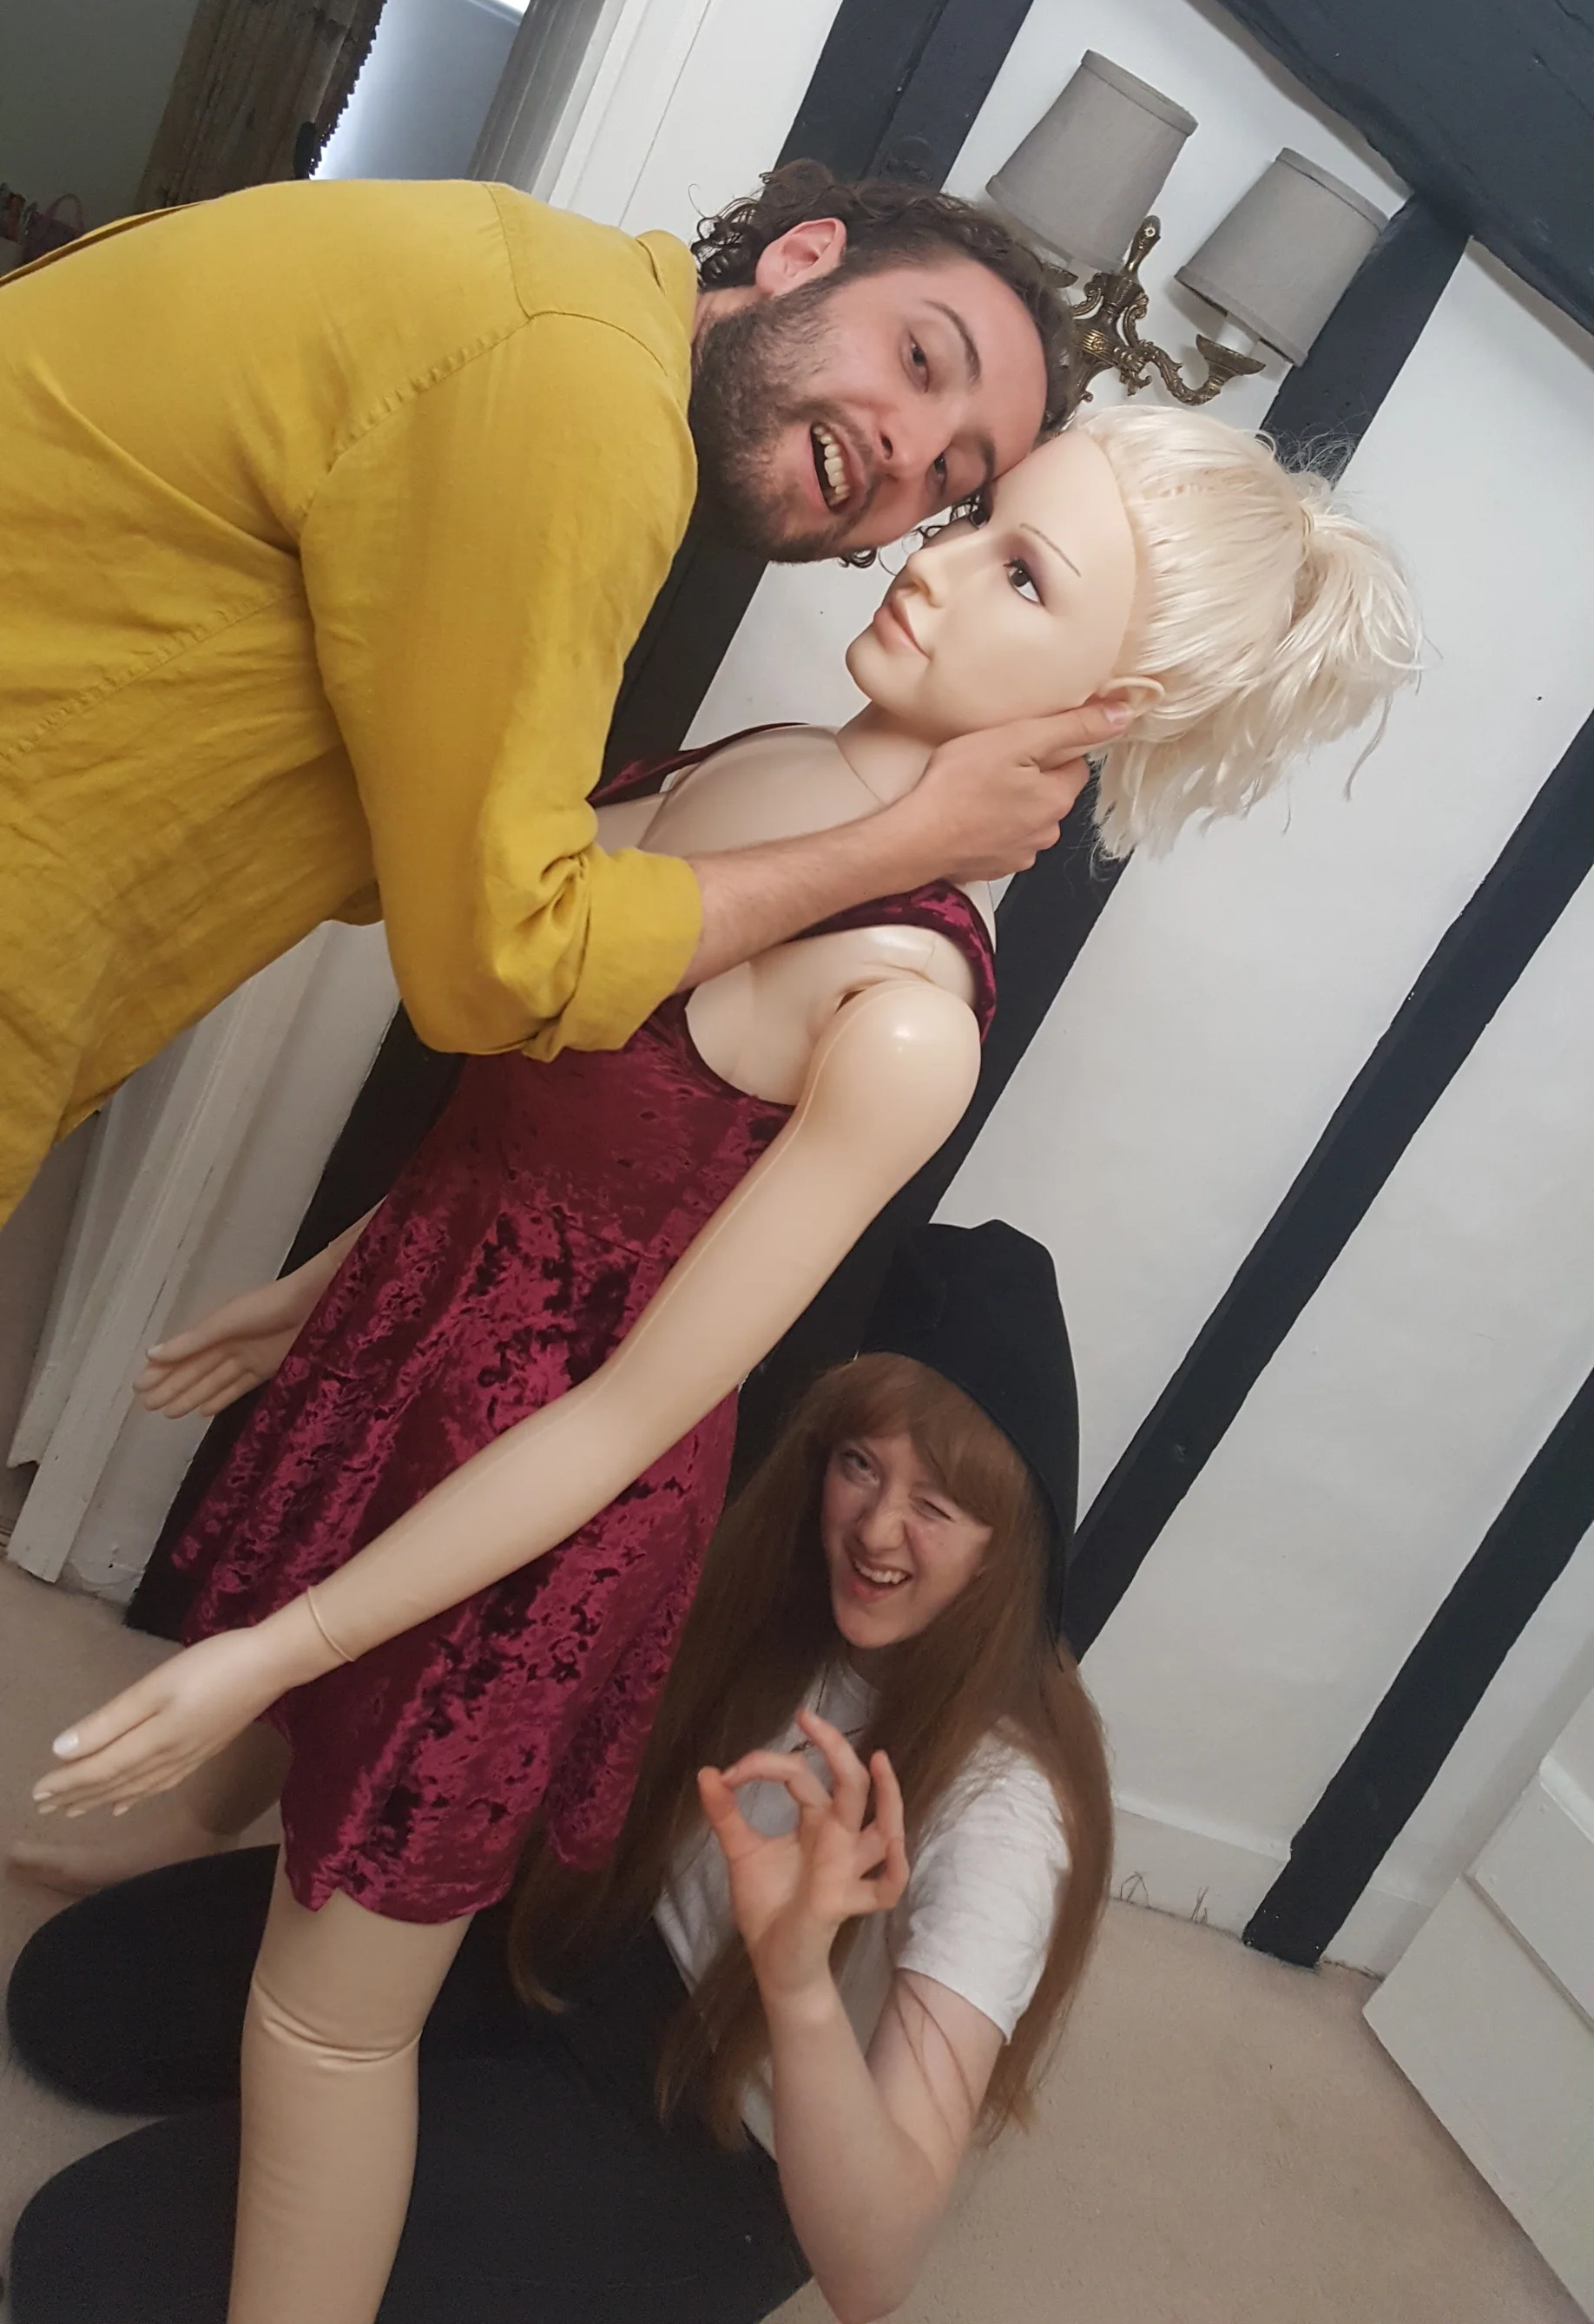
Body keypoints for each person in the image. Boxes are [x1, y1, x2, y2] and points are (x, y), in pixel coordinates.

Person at [16, 403, 1418, 2323]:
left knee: (328, 2025)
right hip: (422, 1338)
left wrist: (284, 1640)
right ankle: (155, 1873)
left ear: (1115, 704)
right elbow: (536, 1102)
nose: (935, 562)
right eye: (977, 517)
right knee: (279, 1738)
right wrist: (339, 1278)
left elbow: (629, 1411)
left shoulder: (902, 1014)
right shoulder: (755, 761)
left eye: (1024, 574)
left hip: (537, 1512)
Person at [8, 1221, 1114, 2324]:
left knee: (89, 2266)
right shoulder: (775, 1591)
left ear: (1008, 1544)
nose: (876, 1529)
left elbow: (874, 2275)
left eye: (936, 1506)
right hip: (579, 1946)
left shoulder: (1008, 1814)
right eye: (861, 1466)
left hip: (712, 2135)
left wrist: (796, 1982)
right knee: (78, 1994)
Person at [0, 158, 1102, 1227]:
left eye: (951, 478)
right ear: (803, 257)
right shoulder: (586, 392)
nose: (908, 452)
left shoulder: (552, 293)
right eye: (917, 358)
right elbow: (504, 963)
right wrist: (911, 843)